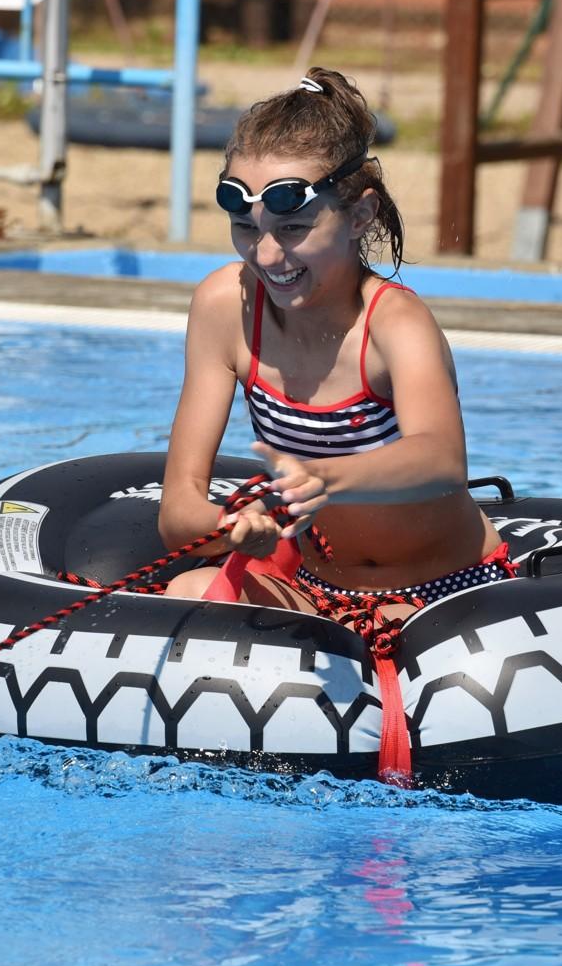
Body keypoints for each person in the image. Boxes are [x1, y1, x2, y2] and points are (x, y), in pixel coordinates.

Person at [158, 68, 514, 618]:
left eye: (293, 228)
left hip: (442, 587)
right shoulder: (225, 306)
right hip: (313, 585)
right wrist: (233, 528)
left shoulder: (395, 323)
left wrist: (324, 478)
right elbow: (177, 514)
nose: (266, 255)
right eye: (246, 227)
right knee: (192, 593)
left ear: (360, 215)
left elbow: (441, 459)